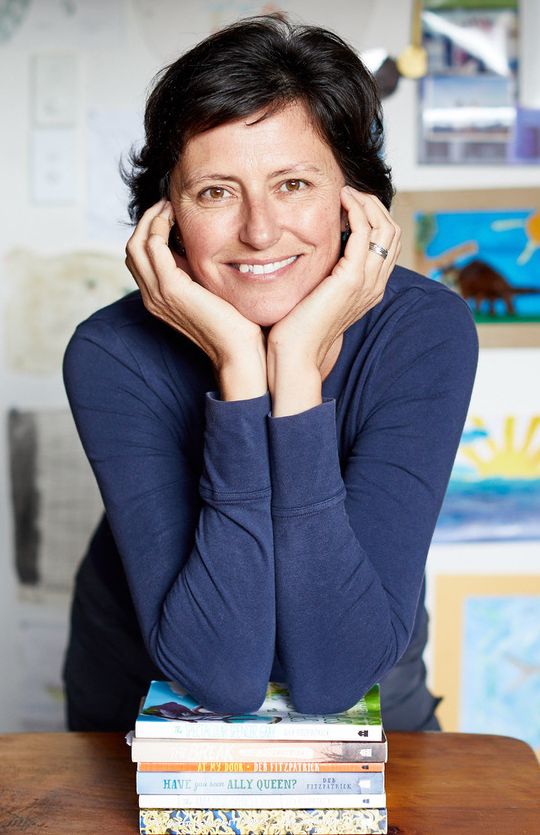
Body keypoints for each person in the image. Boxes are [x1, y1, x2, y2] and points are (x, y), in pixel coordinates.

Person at [62, 14, 478, 732]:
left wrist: (295, 373)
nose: (259, 230)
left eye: (292, 183)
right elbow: (220, 675)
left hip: (374, 685)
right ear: (166, 220)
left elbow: (332, 675)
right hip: (140, 695)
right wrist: (240, 372)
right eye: (216, 192)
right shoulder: (111, 353)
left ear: (356, 201)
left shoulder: (424, 332)